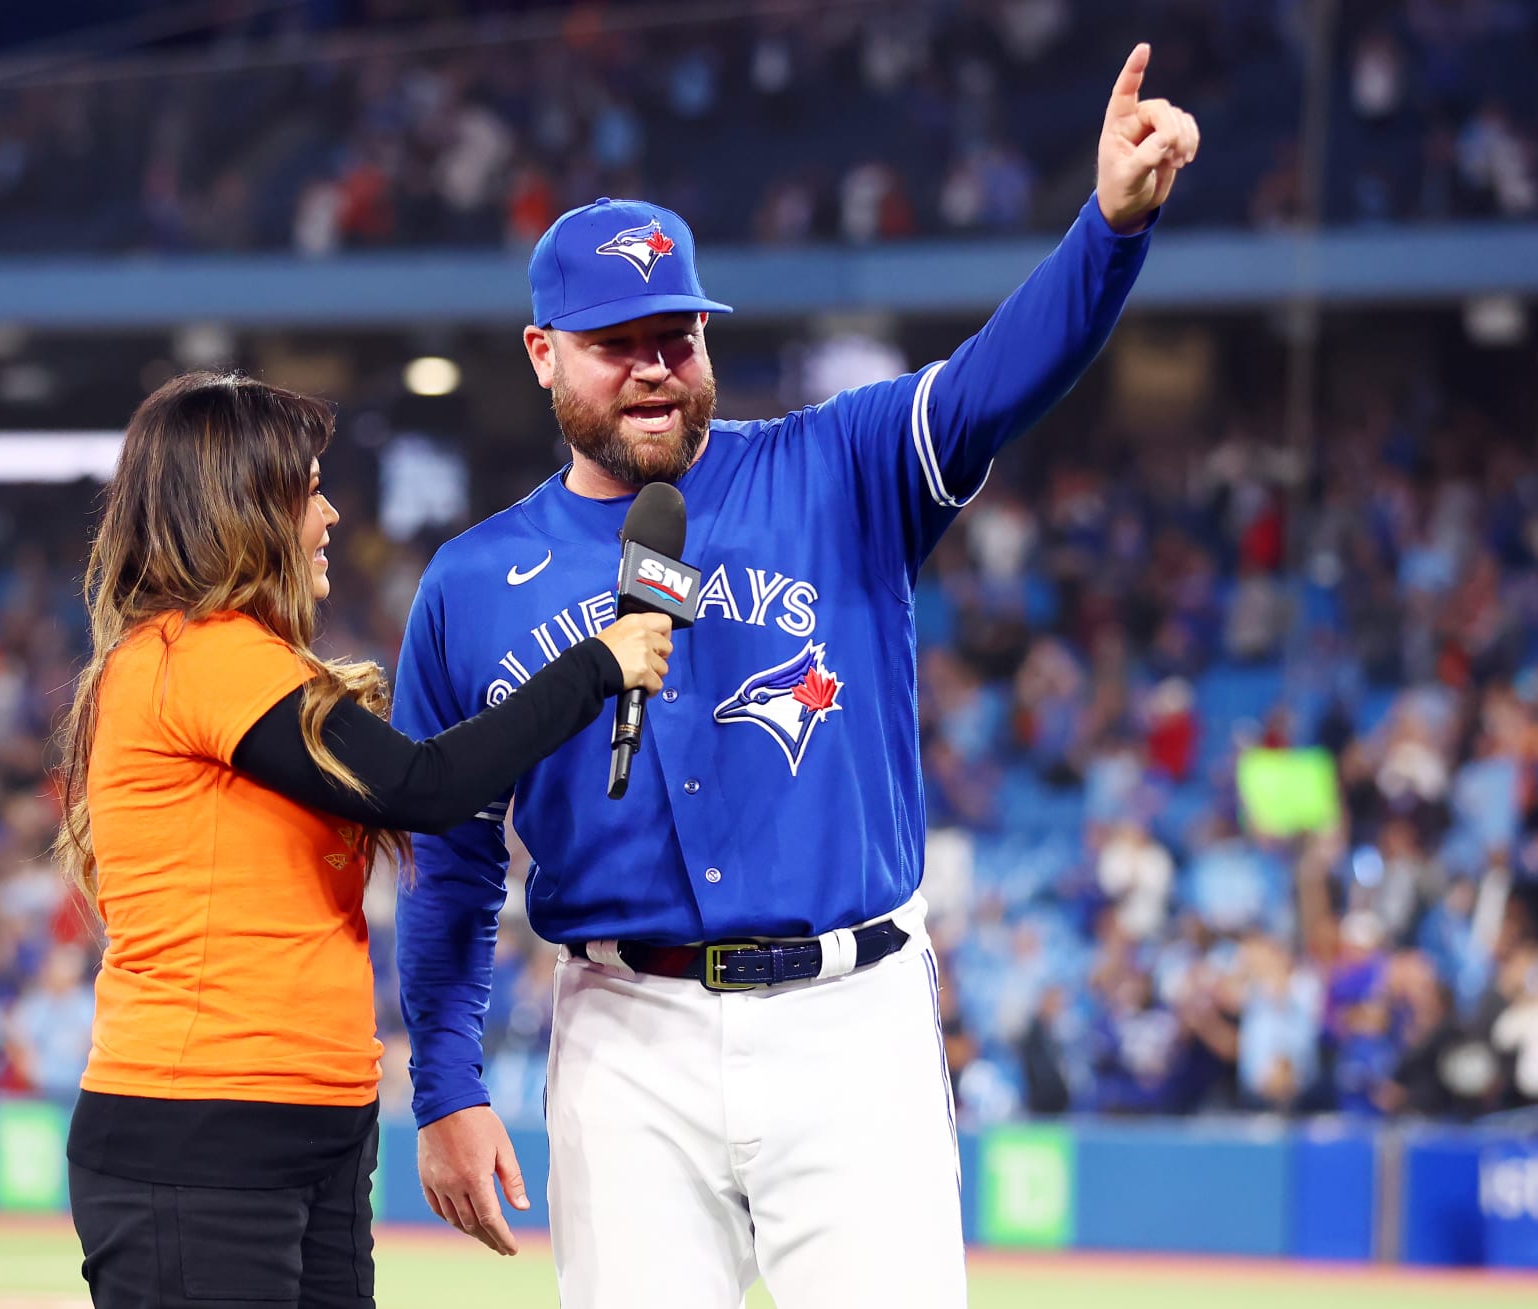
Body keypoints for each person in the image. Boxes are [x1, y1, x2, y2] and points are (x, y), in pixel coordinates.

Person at [393, 44, 1198, 1307]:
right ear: (543, 352)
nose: (655, 366)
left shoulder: (839, 467)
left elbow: (998, 380)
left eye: (677, 336)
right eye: (617, 343)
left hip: (849, 1020)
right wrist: (445, 1083)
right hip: (623, 1034)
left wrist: (1110, 228)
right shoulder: (471, 582)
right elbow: (449, 862)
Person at [52, 371, 672, 1309]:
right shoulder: (199, 654)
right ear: (243, 508)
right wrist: (598, 664)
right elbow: (424, 787)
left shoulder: (234, 660)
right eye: (309, 490)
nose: (331, 514)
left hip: (304, 1123)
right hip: (204, 1126)